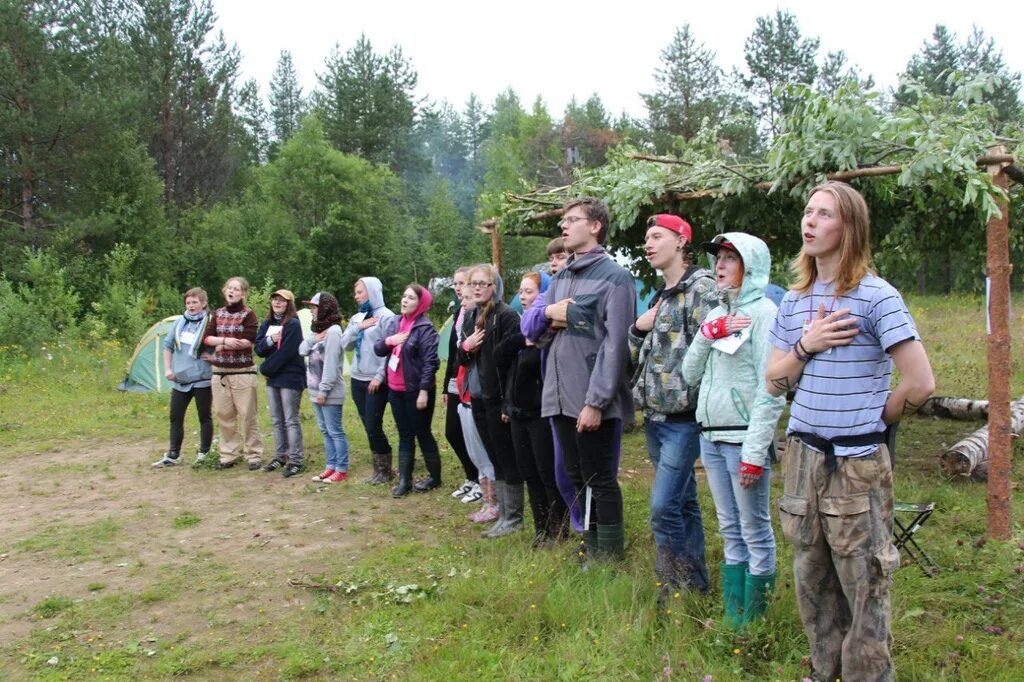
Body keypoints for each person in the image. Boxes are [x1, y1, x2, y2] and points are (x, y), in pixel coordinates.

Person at [765, 182, 935, 682]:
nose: (810, 221)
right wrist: (806, 345)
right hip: (802, 458)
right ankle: (823, 672)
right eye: (808, 211)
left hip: (856, 464)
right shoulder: (794, 301)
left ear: (850, 227)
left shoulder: (876, 295)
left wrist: (881, 417)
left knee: (865, 585)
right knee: (811, 580)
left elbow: (921, 382)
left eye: (825, 214)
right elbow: (774, 382)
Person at [524, 196, 636, 563]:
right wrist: (552, 316)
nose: (564, 226)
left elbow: (616, 343)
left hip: (591, 399)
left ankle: (611, 554)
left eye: (572, 219)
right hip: (558, 395)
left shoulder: (616, 279)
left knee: (599, 478)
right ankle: (592, 545)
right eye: (564, 220)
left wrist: (597, 401)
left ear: (595, 226)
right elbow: (537, 337)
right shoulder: (559, 280)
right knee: (574, 476)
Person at [681, 233, 785, 628]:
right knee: (728, 527)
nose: (720, 265)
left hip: (743, 438)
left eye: (730, 258)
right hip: (711, 436)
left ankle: (756, 623)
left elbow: (771, 388)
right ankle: (733, 617)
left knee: (754, 528)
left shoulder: (765, 314)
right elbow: (690, 375)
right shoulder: (714, 314)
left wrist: (756, 451)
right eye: (718, 258)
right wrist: (710, 335)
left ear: (751, 267)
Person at [628, 214, 715, 599]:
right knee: (683, 503)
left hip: (685, 419)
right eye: (646, 238)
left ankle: (671, 586)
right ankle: (695, 586)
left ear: (681, 241)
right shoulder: (660, 296)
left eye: (657, 236)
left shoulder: (702, 290)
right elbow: (641, 355)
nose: (648, 244)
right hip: (655, 417)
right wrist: (636, 329)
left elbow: (711, 352)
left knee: (663, 508)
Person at [499, 271, 568, 546]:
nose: (522, 297)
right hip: (518, 413)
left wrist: (532, 340)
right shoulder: (523, 331)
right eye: (521, 291)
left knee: (547, 474)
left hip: (541, 413)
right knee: (529, 473)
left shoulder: (551, 333)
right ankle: (542, 530)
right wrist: (508, 404)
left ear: (544, 295)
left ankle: (558, 530)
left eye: (529, 292)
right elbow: (500, 358)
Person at [459, 264, 526, 538]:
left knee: (506, 458)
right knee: (493, 456)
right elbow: (460, 359)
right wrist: (467, 347)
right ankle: (504, 515)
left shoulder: (507, 316)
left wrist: (509, 402)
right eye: (472, 283)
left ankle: (514, 518)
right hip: (476, 395)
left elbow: (514, 365)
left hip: (498, 398)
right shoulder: (471, 315)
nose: (475, 287)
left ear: (494, 287)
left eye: (482, 283)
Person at [375, 284, 442, 497]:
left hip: (417, 391)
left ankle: (434, 477)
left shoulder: (425, 329)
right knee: (404, 435)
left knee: (422, 433)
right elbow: (378, 348)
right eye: (404, 296)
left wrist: (423, 391)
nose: (405, 300)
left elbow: (431, 363)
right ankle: (405, 480)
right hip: (395, 389)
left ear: (420, 303)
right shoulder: (395, 323)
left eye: (411, 298)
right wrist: (389, 341)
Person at [203, 276, 263, 470]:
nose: (232, 291)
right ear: (224, 291)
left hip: (242, 372)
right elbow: (207, 339)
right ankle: (229, 454)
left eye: (237, 289)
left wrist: (221, 341)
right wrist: (225, 342)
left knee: (247, 415)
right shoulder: (217, 313)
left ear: (244, 293)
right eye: (229, 288)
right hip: (219, 373)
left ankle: (253, 454)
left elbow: (247, 341)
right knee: (223, 414)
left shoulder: (249, 314)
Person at [341, 277, 395, 484]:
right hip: (357, 378)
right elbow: (345, 345)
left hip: (376, 380)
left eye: (360, 292)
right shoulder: (357, 318)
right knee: (367, 424)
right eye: (356, 293)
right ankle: (379, 468)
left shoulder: (387, 317)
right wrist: (358, 328)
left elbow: (390, 351)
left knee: (373, 424)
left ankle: (385, 468)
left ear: (372, 292)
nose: (356, 297)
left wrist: (379, 376)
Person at [152, 287, 213, 468]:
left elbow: (218, 344)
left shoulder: (211, 323)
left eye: (195, 302)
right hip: (181, 380)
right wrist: (168, 369)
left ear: (203, 304)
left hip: (203, 379)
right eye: (188, 302)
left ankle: (204, 453)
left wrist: (214, 357)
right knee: (175, 416)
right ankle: (173, 454)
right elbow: (167, 345)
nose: (191, 306)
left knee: (204, 417)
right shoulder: (179, 323)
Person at [255, 289, 306, 478]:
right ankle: (280, 455)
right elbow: (258, 348)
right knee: (277, 420)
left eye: (282, 300)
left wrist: (264, 369)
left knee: (290, 419)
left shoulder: (293, 324)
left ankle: (295, 459)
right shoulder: (267, 323)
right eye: (275, 299)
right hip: (273, 378)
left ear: (289, 304)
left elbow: (287, 353)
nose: (277, 303)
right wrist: (269, 340)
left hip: (290, 377)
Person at [441, 267, 482, 503]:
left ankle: (479, 479)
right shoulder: (459, 312)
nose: (457, 288)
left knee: (470, 432)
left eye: (461, 283)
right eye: (455, 284)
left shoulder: (475, 312)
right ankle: (470, 476)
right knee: (452, 431)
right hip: (456, 379)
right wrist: (447, 386)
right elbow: (451, 351)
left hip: (470, 380)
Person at [300, 293, 350, 483]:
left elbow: (330, 364)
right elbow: (301, 350)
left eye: (315, 307)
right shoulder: (318, 330)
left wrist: (324, 390)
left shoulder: (334, 332)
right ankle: (330, 466)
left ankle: (341, 468)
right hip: (315, 390)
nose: (312, 310)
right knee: (324, 430)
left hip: (329, 391)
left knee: (335, 430)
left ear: (325, 308)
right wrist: (314, 339)